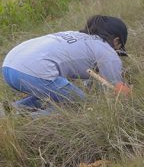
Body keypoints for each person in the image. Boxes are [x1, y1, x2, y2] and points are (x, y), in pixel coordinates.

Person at [2, 15, 130, 112]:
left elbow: (89, 82)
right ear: (117, 41)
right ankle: (29, 120)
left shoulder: (77, 35)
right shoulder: (108, 52)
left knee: (57, 94)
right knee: (81, 104)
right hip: (34, 73)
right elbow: (116, 89)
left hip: (8, 68)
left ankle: (12, 110)